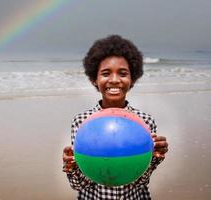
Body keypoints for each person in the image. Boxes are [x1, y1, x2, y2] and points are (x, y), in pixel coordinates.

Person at [62, 35, 168, 200]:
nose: (114, 80)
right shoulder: (83, 122)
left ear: (132, 79)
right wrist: (71, 166)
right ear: (94, 79)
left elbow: (140, 181)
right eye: (105, 73)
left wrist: (154, 158)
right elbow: (79, 185)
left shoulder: (144, 122)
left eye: (123, 73)